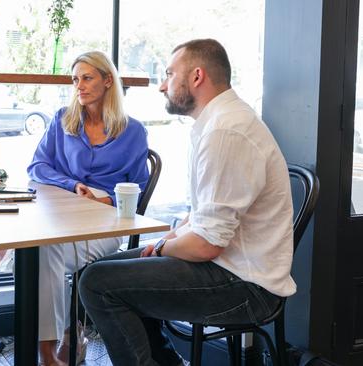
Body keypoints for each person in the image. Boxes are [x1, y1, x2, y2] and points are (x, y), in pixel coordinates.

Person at [79, 39, 295, 366]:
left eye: (169, 74)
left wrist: (164, 249)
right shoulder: (215, 123)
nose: (162, 85)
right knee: (98, 270)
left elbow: (207, 245)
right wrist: (170, 239)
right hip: (226, 266)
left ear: (197, 77)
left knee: (98, 284)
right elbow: (203, 218)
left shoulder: (226, 131)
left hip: (247, 287)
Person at [26, 50, 149, 366]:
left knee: (40, 252)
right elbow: (38, 166)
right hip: (63, 221)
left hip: (106, 225)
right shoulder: (62, 120)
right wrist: (72, 185)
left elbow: (139, 185)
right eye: (75, 79)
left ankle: (56, 346)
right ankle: (51, 352)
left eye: (87, 77)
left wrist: (107, 198)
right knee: (42, 249)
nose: (79, 86)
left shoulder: (133, 131)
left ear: (108, 80)